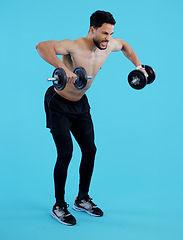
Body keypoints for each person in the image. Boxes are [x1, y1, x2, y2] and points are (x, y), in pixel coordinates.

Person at [36, 10, 148, 226]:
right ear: (92, 30)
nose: (108, 38)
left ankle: (82, 199)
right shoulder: (75, 46)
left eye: (111, 33)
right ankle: (59, 205)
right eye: (104, 33)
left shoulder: (109, 45)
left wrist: (139, 67)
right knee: (65, 153)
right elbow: (42, 46)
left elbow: (125, 46)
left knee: (90, 150)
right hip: (58, 104)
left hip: (80, 104)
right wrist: (60, 66)